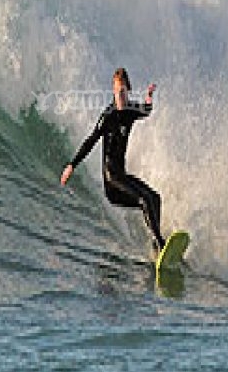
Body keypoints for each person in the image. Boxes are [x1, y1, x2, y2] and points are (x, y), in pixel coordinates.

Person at [60, 68, 165, 251]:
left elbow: (146, 110)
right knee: (144, 200)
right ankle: (160, 243)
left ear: (128, 90)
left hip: (122, 177)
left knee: (155, 198)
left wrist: (149, 96)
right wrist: (72, 165)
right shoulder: (107, 116)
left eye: (123, 92)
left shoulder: (130, 110)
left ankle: (156, 245)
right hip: (112, 183)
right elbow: (90, 141)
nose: (120, 97)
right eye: (116, 93)